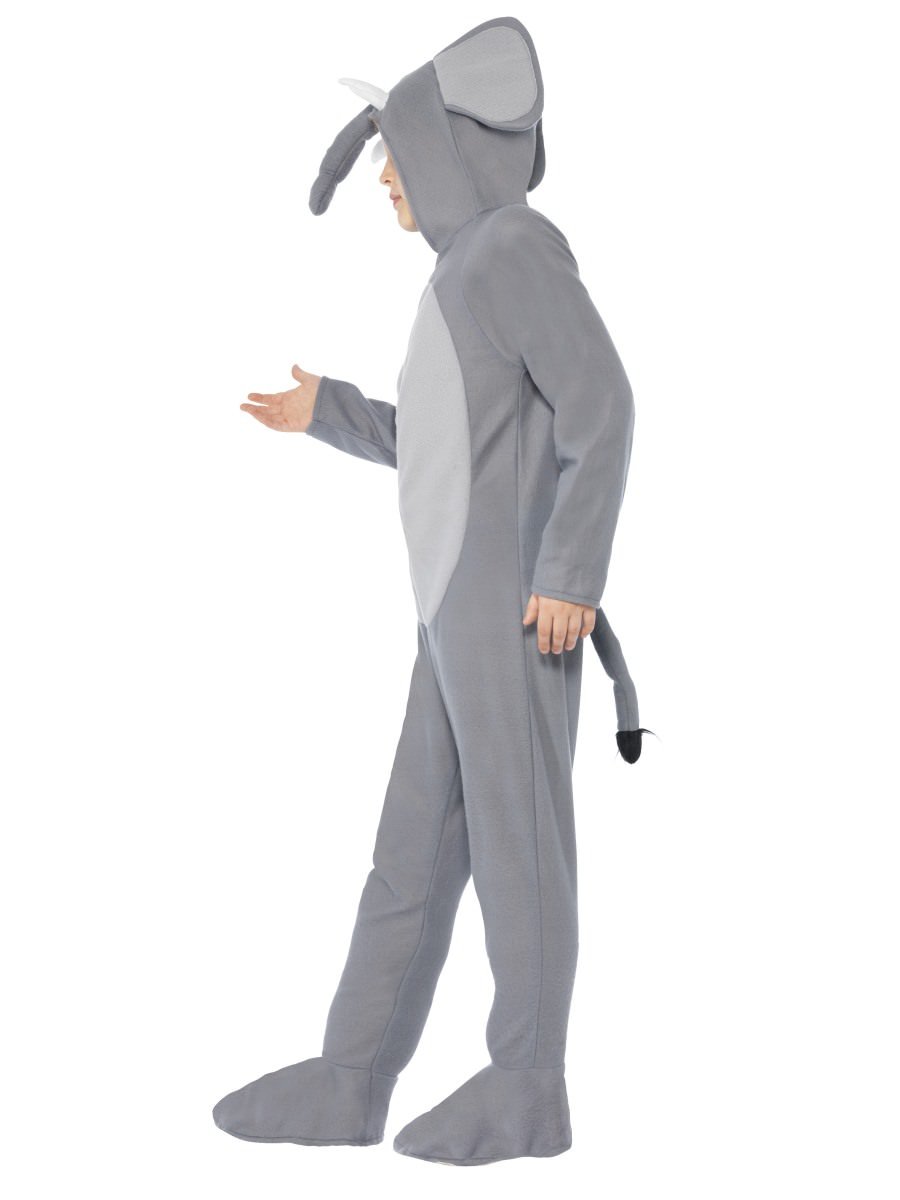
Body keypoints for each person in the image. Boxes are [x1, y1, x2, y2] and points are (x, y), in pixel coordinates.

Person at [212, 15, 648, 1166]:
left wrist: (571, 575)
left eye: (397, 151)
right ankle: (351, 1076)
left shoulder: (513, 251)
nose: (385, 176)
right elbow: (448, 446)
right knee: (411, 847)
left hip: (515, 613)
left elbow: (603, 405)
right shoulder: (464, 275)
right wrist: (330, 412)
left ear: (453, 149)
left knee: (519, 841)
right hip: (453, 616)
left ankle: (528, 1088)